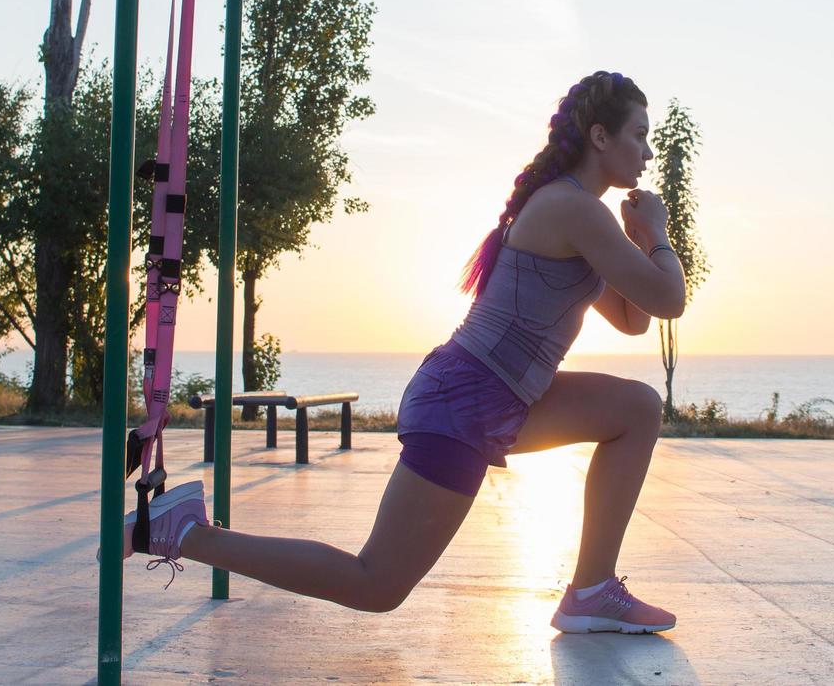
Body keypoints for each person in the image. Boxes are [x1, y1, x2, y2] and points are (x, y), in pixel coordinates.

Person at [126, 71, 687, 634]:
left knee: (637, 408)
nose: (646, 150)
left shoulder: (584, 213)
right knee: (377, 584)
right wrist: (658, 233)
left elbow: (636, 317)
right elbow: (668, 298)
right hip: (466, 396)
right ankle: (185, 532)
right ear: (599, 137)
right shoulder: (572, 208)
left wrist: (640, 237)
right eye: (639, 134)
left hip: (504, 396)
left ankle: (590, 591)